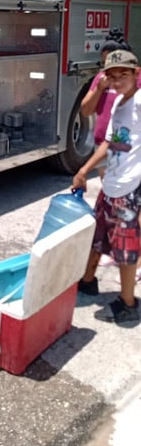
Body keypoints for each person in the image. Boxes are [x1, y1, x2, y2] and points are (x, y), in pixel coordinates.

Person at [72, 49, 141, 324]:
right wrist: (84, 170)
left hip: (130, 187)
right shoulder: (118, 105)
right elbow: (109, 143)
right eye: (112, 76)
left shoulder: (138, 101)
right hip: (110, 183)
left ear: (136, 74)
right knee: (98, 235)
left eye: (123, 74)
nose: (116, 81)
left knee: (125, 251)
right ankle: (88, 281)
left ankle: (128, 303)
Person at [80, 30, 132, 180]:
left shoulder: (136, 79)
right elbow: (85, 110)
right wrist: (99, 88)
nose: (105, 68)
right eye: (104, 63)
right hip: (102, 145)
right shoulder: (101, 78)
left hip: (125, 148)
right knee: (109, 192)